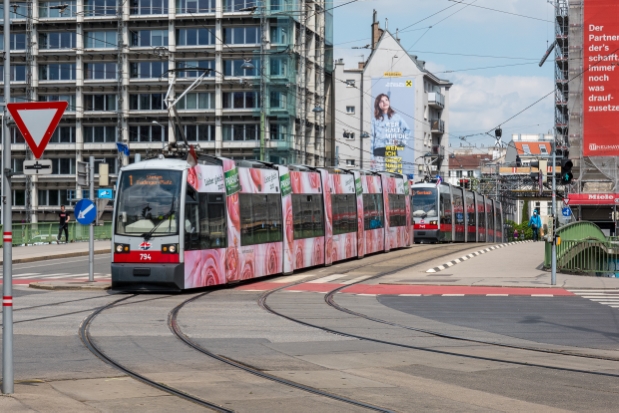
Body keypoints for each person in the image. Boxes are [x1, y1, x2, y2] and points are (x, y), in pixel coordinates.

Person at [371, 93, 411, 168]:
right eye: (381, 101)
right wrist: (371, 157)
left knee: (392, 176)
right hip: (378, 151)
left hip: (391, 150)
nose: (385, 102)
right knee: (378, 176)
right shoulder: (375, 120)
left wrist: (400, 142)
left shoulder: (396, 117)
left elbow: (407, 130)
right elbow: (371, 138)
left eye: (386, 100)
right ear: (377, 104)